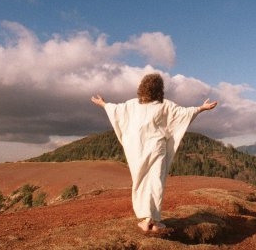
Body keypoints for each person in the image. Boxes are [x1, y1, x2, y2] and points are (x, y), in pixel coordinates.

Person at [91, 73, 218, 232]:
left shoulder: (131, 105)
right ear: (160, 90)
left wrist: (103, 104)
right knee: (156, 181)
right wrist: (201, 108)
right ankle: (153, 221)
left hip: (137, 149)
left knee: (141, 181)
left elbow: (116, 110)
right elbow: (184, 113)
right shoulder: (165, 105)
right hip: (157, 148)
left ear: (142, 88)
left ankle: (147, 219)